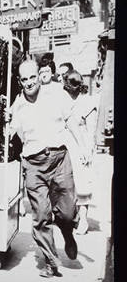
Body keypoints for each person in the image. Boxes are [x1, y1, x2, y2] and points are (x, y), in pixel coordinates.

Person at [8, 60, 81, 278]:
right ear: (20, 82)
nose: (29, 82)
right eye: (24, 79)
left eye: (32, 77)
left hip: (59, 159)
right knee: (41, 215)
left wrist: (84, 147)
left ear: (39, 76)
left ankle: (67, 232)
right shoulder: (17, 105)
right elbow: (9, 133)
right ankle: (51, 260)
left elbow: (72, 121)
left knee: (67, 212)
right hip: (34, 164)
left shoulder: (56, 94)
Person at [62, 69, 98, 235]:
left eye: (72, 86)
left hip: (81, 145)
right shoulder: (62, 100)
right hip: (64, 145)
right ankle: (70, 217)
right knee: (66, 184)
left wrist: (87, 150)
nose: (69, 89)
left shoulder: (87, 102)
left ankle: (83, 219)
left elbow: (91, 130)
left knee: (83, 184)